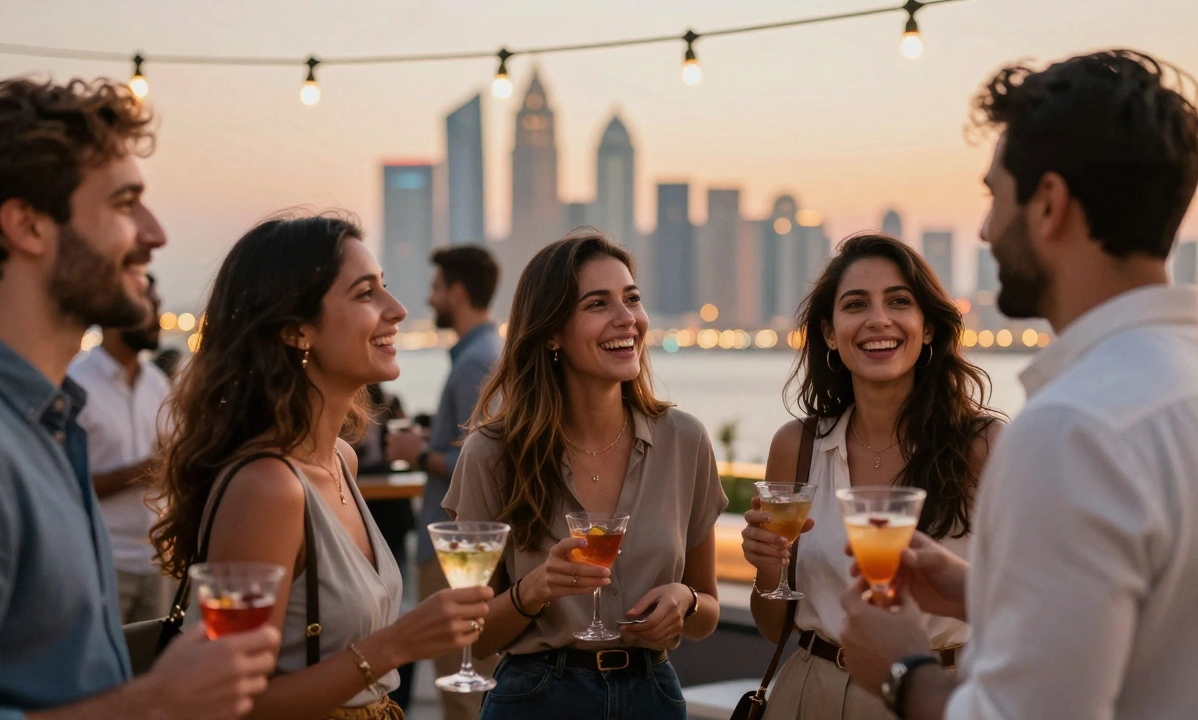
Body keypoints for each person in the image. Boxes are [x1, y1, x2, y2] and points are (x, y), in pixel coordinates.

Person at [838, 50, 1198, 720]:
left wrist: (901, 671)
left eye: (994, 195)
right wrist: (979, 590)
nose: (985, 229)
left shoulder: (1074, 428)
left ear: (1049, 204)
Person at [0, 77, 278, 720]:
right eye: (125, 203)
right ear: (27, 225)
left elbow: (53, 669)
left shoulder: (39, 419)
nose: (155, 234)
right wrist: (159, 702)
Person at [151, 212, 493, 720]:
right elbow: (228, 703)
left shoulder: (340, 459)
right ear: (297, 330)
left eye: (385, 287)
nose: (398, 309)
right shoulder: (268, 488)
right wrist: (398, 643)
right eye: (366, 293)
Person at [444, 232, 727, 720]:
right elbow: (473, 637)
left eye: (631, 299)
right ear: (551, 333)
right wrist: (535, 588)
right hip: (536, 700)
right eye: (598, 304)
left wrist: (685, 600)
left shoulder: (685, 440)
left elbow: (707, 613)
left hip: (653, 697)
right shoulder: (492, 453)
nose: (626, 318)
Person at [741, 233, 1002, 719]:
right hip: (810, 694)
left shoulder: (984, 447)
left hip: (935, 694)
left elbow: (1028, 605)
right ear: (829, 333)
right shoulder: (797, 447)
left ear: (927, 327)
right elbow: (775, 627)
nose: (878, 319)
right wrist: (767, 569)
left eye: (899, 301)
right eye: (855, 304)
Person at [385, 244, 503, 720]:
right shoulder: (479, 354)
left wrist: (417, 453)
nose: (429, 299)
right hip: (460, 547)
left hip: (457, 550)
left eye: (436, 288)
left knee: (464, 696)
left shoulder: (477, 361)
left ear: (457, 292)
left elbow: (491, 463)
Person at [69, 272, 174, 624]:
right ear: (114, 313)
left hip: (157, 562)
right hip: (100, 562)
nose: (158, 318)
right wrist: (140, 471)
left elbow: (170, 455)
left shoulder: (157, 384)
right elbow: (63, 485)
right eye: (149, 306)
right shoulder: (75, 385)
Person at [349, 383, 416, 712]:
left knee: (393, 604)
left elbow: (401, 457)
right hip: (366, 510)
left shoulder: (392, 404)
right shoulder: (342, 443)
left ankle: (396, 700)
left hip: (390, 519)